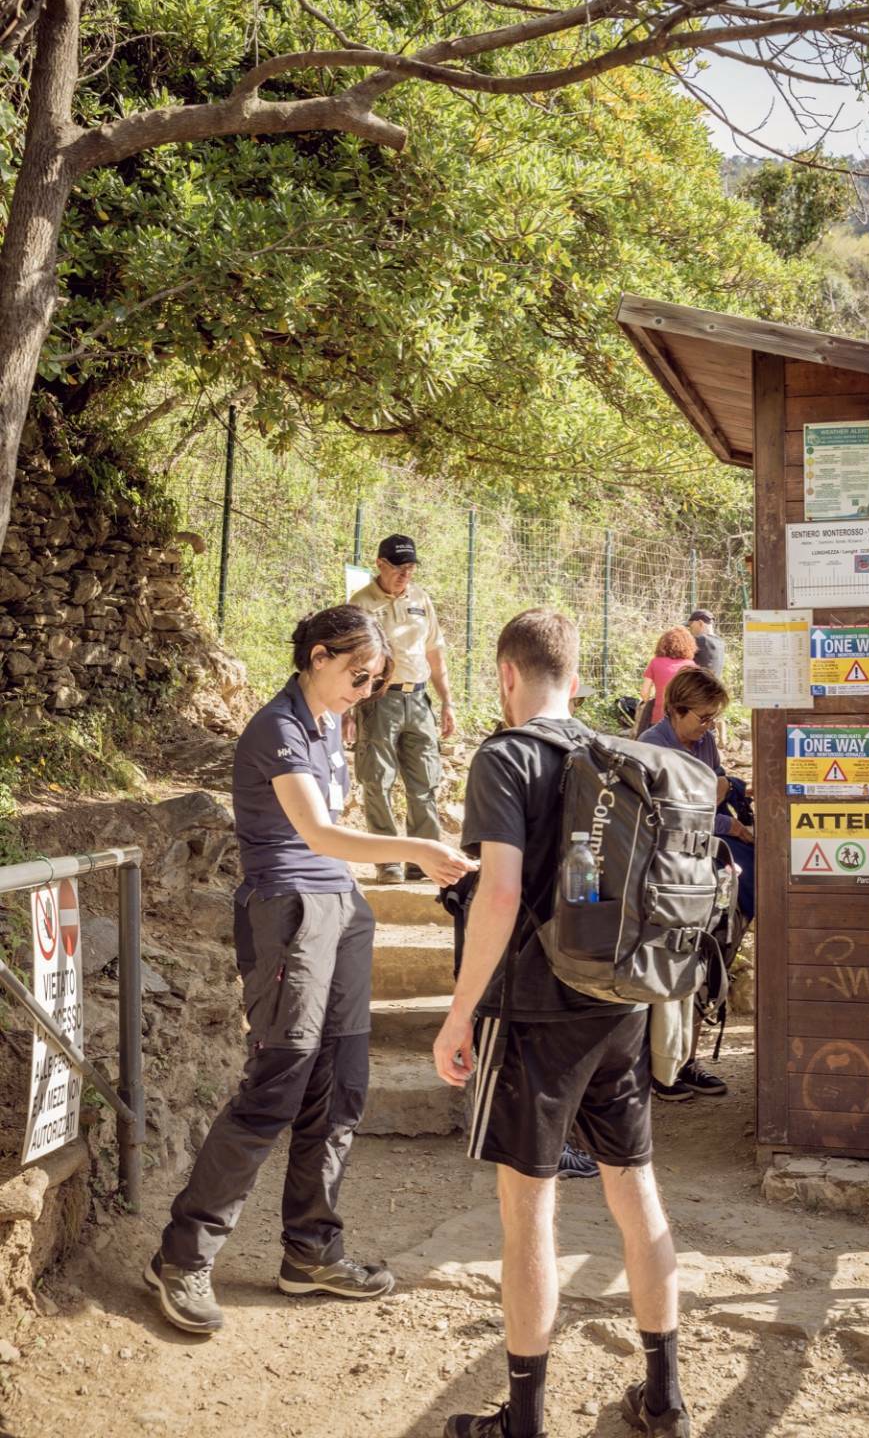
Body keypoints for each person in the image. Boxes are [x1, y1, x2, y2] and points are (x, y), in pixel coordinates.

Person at [145, 605, 474, 1335]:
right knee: (277, 1084)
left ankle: (311, 1253)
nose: (366, 689)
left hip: (341, 910)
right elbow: (318, 832)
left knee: (342, 1086)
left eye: (377, 680)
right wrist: (418, 848)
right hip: (287, 914)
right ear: (319, 655)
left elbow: (334, 830)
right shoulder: (278, 727)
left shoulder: (333, 722)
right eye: (359, 675)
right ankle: (182, 1256)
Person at [434, 609, 690, 1438]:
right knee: (633, 1187)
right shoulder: (608, 756)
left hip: (535, 1013)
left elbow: (500, 894)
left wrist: (459, 1011)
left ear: (506, 674)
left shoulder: (505, 757)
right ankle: (663, 1399)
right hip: (617, 1001)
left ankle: (524, 1422)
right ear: (573, 678)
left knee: (528, 1210)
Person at [640, 665, 754, 1104]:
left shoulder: (702, 741)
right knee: (673, 967)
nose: (709, 728)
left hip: (704, 864)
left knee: (709, 962)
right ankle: (662, 1069)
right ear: (675, 710)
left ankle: (687, 1060)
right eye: (703, 718)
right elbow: (670, 815)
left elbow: (715, 788)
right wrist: (729, 822)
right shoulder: (652, 747)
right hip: (670, 871)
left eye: (713, 719)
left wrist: (718, 796)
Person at [347, 535, 455, 883]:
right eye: (398, 568)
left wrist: (447, 702)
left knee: (424, 781)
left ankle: (424, 859)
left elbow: (434, 653)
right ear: (380, 564)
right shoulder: (361, 603)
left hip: (419, 699)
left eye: (410, 568)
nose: (405, 575)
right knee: (377, 780)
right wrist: (349, 708)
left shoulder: (421, 598)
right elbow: (353, 659)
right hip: (379, 699)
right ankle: (388, 859)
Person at [639, 627, 698, 726]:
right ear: (690, 646)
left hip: (659, 719)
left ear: (663, 644)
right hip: (683, 721)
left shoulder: (655, 662)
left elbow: (644, 693)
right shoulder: (691, 666)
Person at [687, 609, 725, 679]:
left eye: (690, 625)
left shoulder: (701, 640)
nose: (689, 629)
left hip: (699, 687)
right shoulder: (720, 642)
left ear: (700, 623)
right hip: (714, 686)